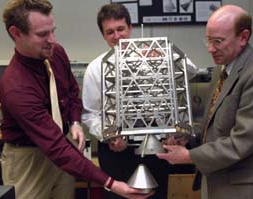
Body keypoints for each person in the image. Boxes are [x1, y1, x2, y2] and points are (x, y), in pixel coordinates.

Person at [0, 1, 153, 199]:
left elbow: (71, 91)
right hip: (30, 158)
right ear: (16, 33)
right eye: (42, 34)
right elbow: (55, 147)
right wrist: (110, 183)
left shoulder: (55, 53)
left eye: (52, 31)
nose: (52, 40)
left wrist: (74, 122)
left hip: (63, 146)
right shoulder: (16, 86)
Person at [157, 5, 253, 199]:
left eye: (218, 41)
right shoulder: (222, 69)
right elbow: (214, 124)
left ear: (243, 37)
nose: (210, 49)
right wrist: (189, 137)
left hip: (247, 189)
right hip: (220, 183)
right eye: (208, 40)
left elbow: (242, 141)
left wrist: (189, 156)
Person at [82, 3, 197, 199]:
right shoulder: (96, 68)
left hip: (156, 147)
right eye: (110, 32)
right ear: (103, 35)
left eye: (121, 29)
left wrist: (164, 54)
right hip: (117, 151)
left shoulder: (154, 56)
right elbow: (90, 113)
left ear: (130, 28)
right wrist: (108, 135)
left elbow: (191, 71)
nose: (117, 36)